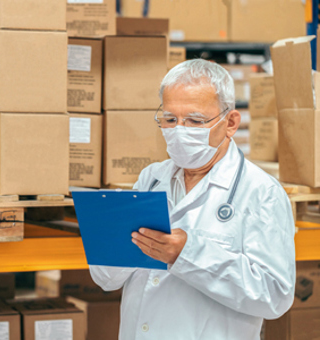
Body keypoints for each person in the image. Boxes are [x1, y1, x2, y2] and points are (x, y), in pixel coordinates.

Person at [89, 59, 295, 340]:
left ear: (231, 122)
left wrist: (187, 255)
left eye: (195, 121)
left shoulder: (261, 192)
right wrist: (112, 239)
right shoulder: (151, 178)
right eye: (170, 120)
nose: (180, 131)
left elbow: (275, 296)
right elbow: (105, 279)